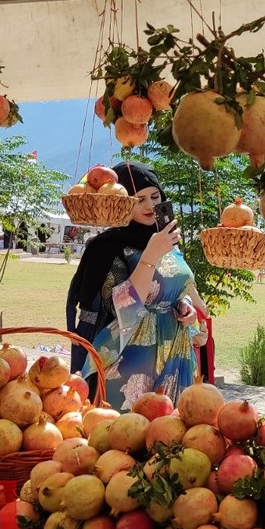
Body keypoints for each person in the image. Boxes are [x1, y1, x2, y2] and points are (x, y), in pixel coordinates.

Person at [67, 162, 202, 410]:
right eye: (139, 199)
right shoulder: (107, 247)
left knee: (170, 436)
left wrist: (185, 306)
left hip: (173, 352)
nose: (150, 205)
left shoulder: (166, 237)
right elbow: (123, 309)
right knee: (126, 435)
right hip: (129, 362)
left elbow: (173, 286)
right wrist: (150, 256)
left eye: (154, 196)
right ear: (122, 202)